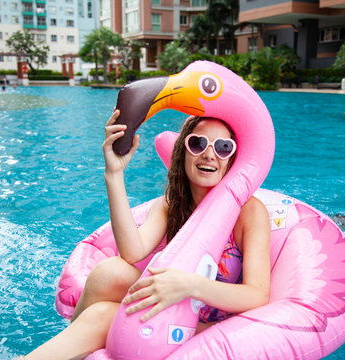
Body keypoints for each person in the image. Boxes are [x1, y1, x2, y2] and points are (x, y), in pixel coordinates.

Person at [21, 111, 271, 359]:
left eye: (223, 147)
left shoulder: (248, 212)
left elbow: (258, 295)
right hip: (170, 307)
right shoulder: (170, 205)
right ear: (183, 151)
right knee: (106, 277)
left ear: (232, 158)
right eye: (197, 143)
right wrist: (114, 174)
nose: (208, 154)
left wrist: (191, 286)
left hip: (213, 327)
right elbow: (132, 252)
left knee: (106, 307)